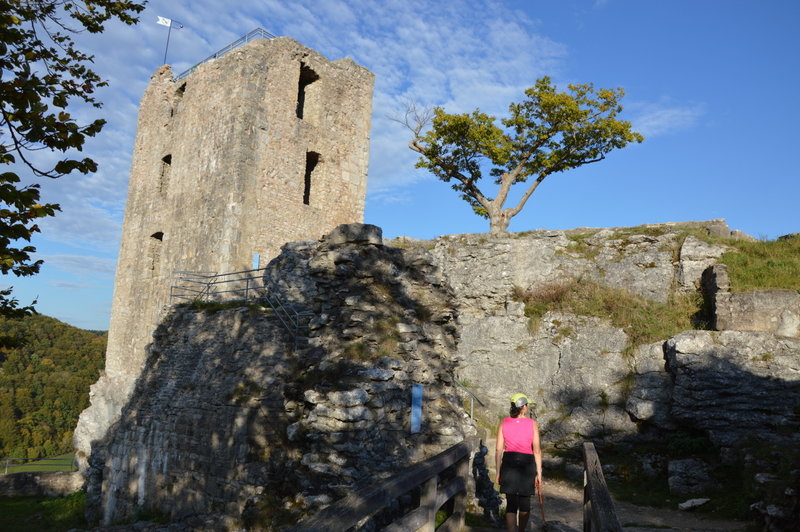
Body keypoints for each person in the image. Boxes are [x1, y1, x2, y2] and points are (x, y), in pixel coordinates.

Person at [495, 393, 542, 532]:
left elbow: (498, 450)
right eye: (527, 405)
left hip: (509, 462)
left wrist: (498, 472)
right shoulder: (532, 424)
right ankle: (521, 530)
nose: (528, 407)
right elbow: (537, 450)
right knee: (524, 502)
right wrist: (539, 473)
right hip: (527, 462)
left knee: (511, 504)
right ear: (523, 407)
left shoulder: (504, 422)